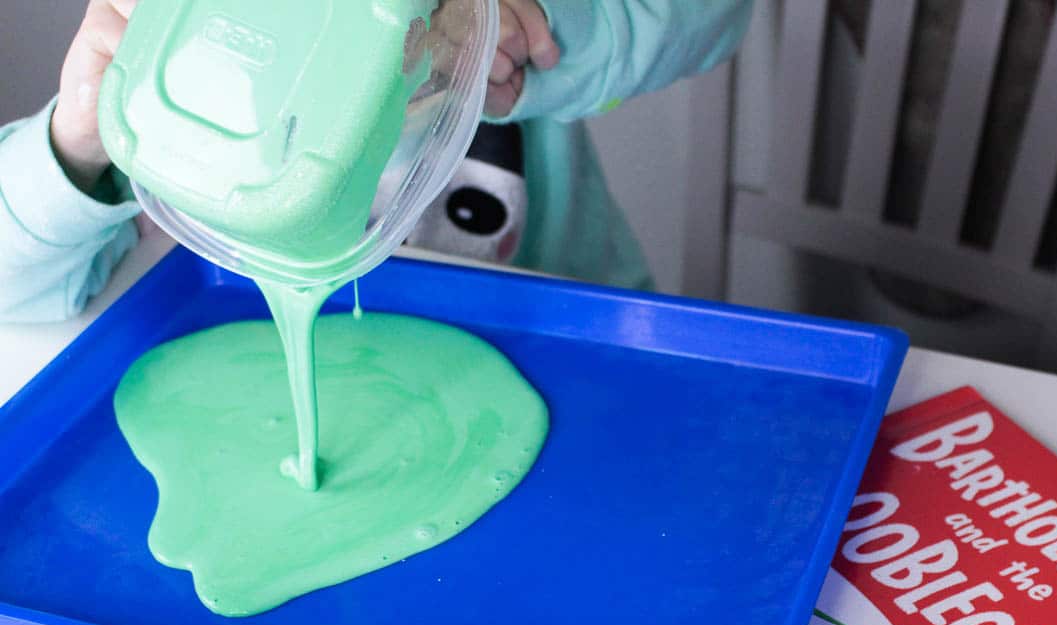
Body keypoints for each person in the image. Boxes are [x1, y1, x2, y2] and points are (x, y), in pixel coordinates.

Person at [0, 0, 753, 322]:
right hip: (225, 352)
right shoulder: (173, 74)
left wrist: (526, 26)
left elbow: (713, 17)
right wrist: (80, 139)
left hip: (552, 320)